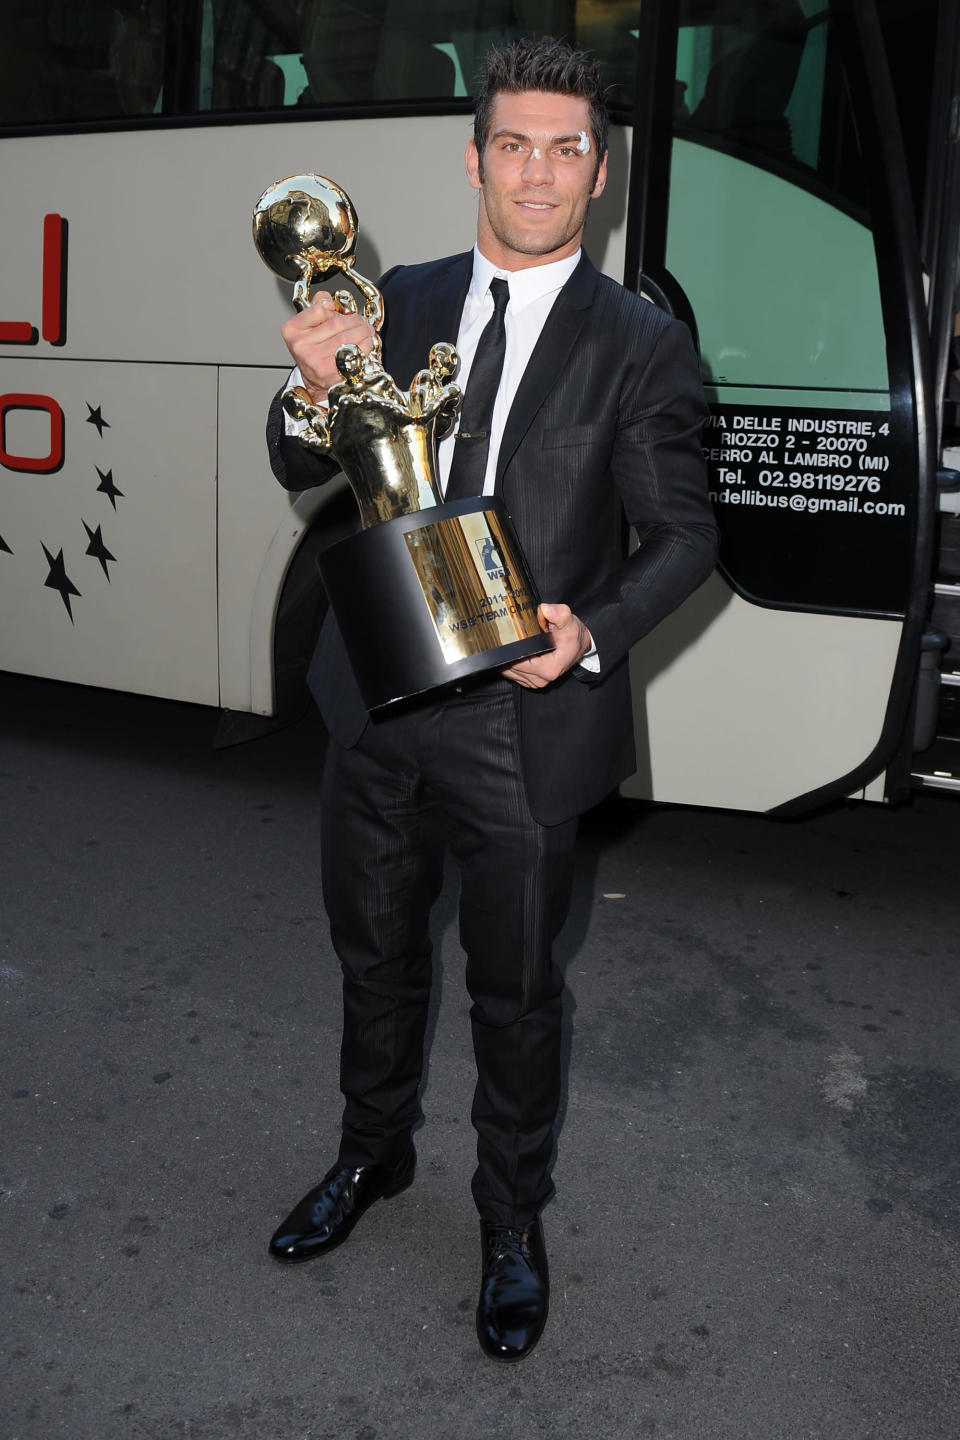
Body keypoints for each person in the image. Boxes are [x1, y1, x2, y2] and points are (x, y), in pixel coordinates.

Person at [264, 35, 718, 1363]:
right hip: (377, 702)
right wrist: (303, 387)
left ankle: (510, 1226)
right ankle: (370, 1156)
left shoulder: (642, 345)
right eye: (513, 144)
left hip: (525, 720)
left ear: (601, 170)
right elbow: (300, 458)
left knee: (516, 997)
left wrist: (590, 629)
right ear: (475, 159)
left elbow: (683, 535)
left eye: (566, 148)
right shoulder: (394, 296)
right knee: (373, 954)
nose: (538, 170)